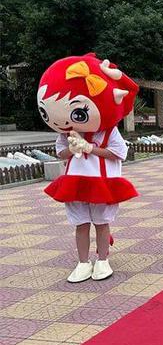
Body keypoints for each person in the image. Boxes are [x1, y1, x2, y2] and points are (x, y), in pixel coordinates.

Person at [39, 54, 139, 283]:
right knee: (80, 223)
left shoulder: (108, 130)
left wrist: (90, 148)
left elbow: (119, 153)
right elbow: (60, 153)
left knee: (102, 223)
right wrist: (73, 149)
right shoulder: (66, 131)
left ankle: (102, 260)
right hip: (75, 181)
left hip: (102, 181)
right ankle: (83, 262)